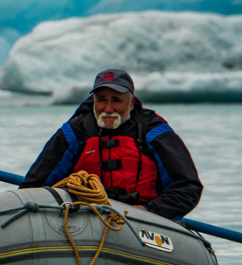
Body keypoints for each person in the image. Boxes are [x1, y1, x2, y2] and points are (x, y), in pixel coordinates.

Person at [20, 69, 202, 220]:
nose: (108, 108)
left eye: (116, 100)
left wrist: (150, 212)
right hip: (83, 220)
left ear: (131, 103)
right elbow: (33, 187)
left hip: (144, 223)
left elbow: (187, 188)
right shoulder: (75, 132)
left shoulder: (153, 131)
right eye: (101, 100)